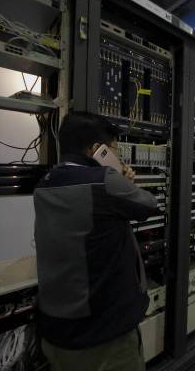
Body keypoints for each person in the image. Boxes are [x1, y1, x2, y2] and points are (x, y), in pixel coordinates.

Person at [33, 112, 159, 371]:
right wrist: (123, 180)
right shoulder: (104, 181)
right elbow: (148, 205)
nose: (118, 156)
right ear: (97, 150)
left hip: (55, 329)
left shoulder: (45, 183)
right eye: (113, 149)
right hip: (103, 334)